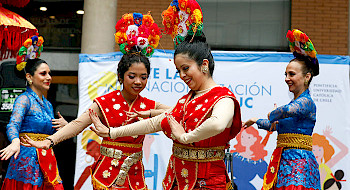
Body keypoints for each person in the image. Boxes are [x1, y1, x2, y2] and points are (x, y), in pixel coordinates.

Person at [22, 12, 169, 190]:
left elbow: (178, 111)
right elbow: (78, 124)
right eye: (132, 76)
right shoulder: (104, 102)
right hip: (108, 174)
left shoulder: (148, 105)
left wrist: (151, 113)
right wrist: (50, 141)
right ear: (121, 77)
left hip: (135, 175)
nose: (138, 82)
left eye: (143, 77)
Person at [88, 33, 242, 190]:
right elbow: (155, 123)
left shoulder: (223, 98)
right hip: (176, 180)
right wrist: (112, 133)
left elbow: (217, 124)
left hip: (206, 182)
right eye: (179, 71)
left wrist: (185, 137)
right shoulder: (186, 100)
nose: (182, 76)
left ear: (204, 64)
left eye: (186, 68)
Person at [243, 29, 321, 190]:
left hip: (299, 165)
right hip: (283, 162)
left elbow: (285, 112)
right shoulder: (296, 103)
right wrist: (255, 120)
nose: (287, 78)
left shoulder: (306, 102)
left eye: (291, 74)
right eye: (285, 74)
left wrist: (272, 113)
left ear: (307, 77)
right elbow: (277, 124)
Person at [0, 54, 67, 189]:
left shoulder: (48, 105)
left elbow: (51, 134)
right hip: (27, 159)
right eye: (43, 74)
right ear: (29, 77)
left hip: (47, 158)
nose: (49, 77)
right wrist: (15, 141)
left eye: (49, 73)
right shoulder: (24, 99)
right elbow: (13, 124)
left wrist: (65, 127)